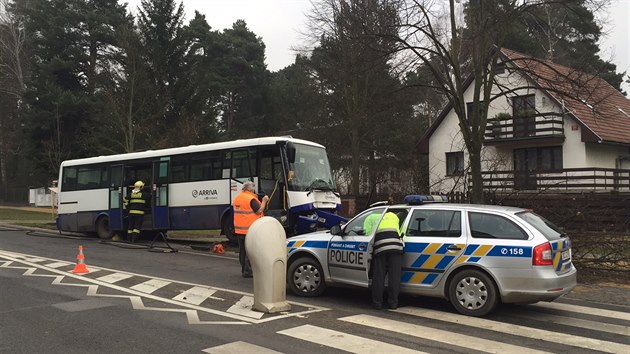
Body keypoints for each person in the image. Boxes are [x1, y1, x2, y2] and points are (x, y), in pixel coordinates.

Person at [233, 181, 269, 278]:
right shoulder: (250, 199)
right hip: (249, 230)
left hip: (239, 230)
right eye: (253, 187)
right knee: (250, 251)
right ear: (250, 189)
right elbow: (259, 211)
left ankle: (244, 269)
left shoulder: (237, 198)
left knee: (242, 251)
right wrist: (264, 201)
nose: (254, 189)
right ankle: (248, 271)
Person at [371, 211, 404, 310]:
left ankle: (377, 303)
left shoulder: (372, 217)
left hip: (381, 247)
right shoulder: (395, 217)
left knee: (378, 277)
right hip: (396, 247)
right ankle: (393, 303)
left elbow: (368, 234)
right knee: (394, 277)